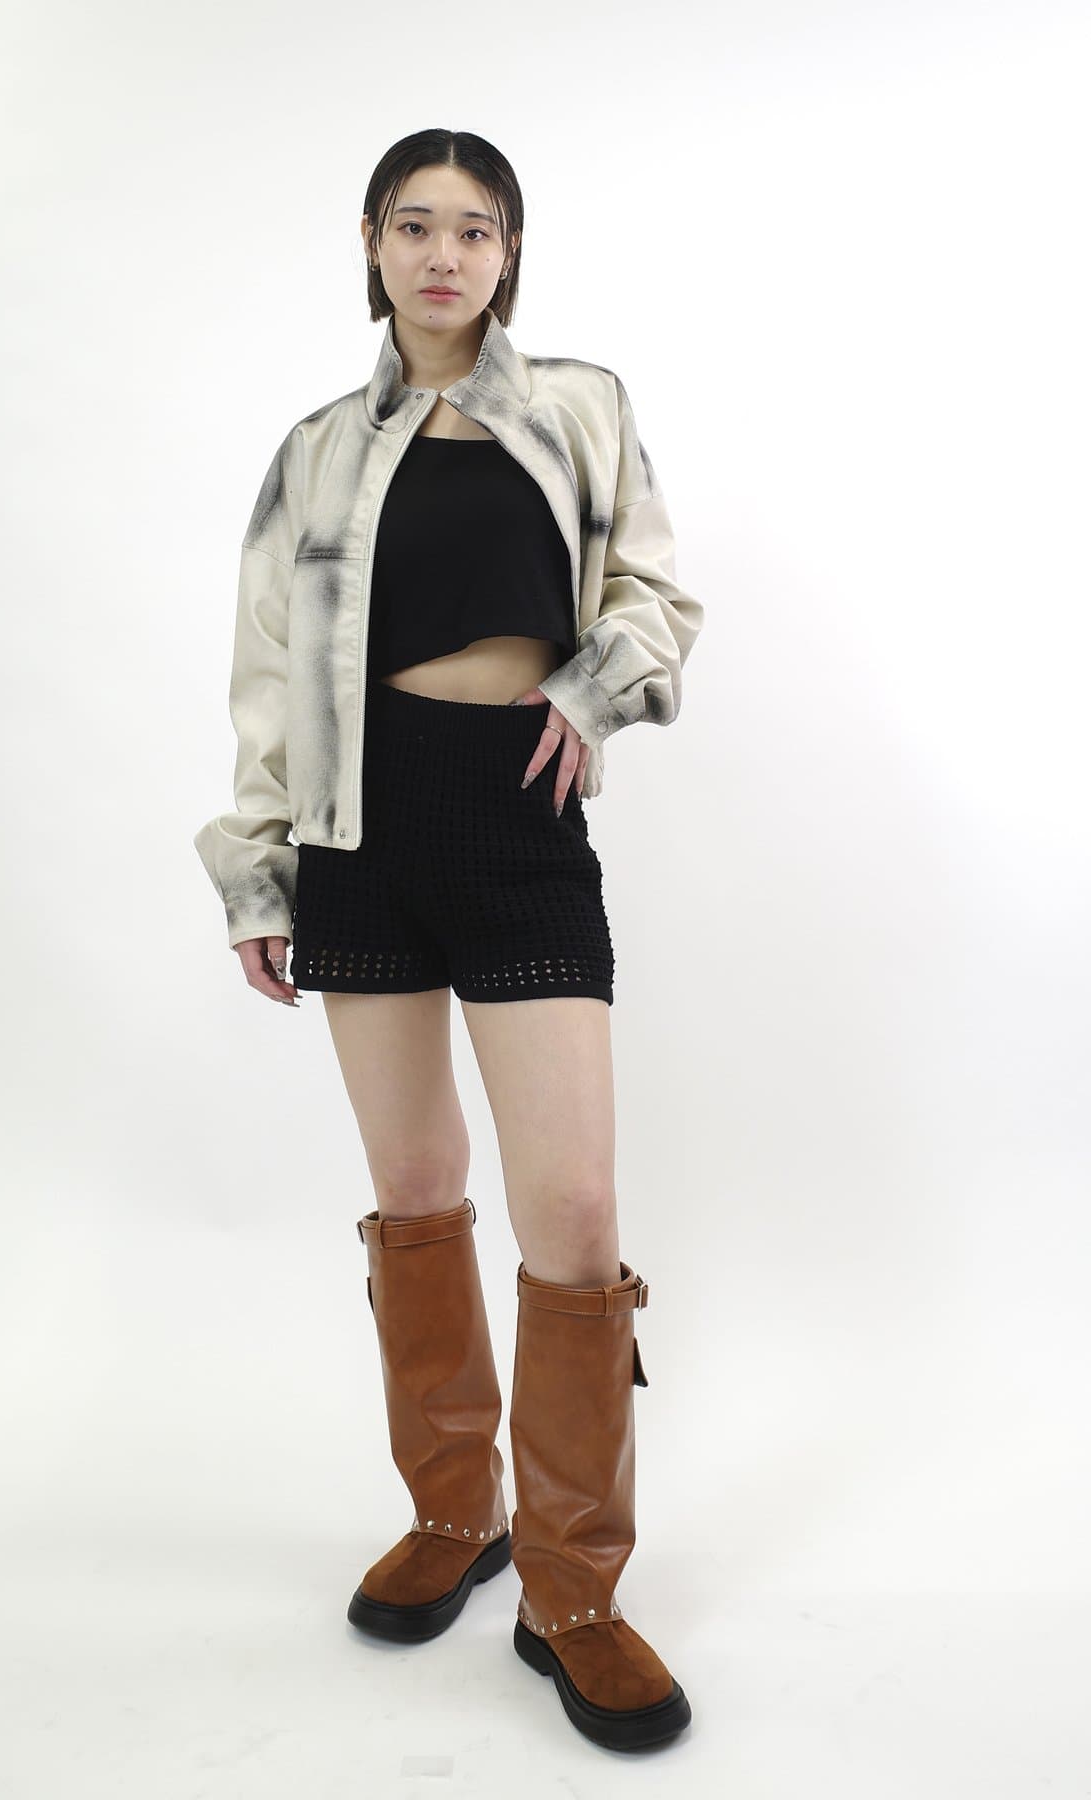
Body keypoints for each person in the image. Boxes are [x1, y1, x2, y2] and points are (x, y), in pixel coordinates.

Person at [192, 129, 703, 1752]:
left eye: (474, 229)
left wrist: (590, 689)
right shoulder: (315, 452)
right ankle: (455, 1511)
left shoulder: (580, 406)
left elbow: (654, 596)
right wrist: (260, 870)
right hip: (357, 829)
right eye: (414, 225)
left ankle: (575, 1586)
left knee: (576, 1213)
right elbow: (267, 671)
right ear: (372, 242)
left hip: (519, 812)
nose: (443, 255)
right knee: (416, 1190)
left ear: (509, 253)